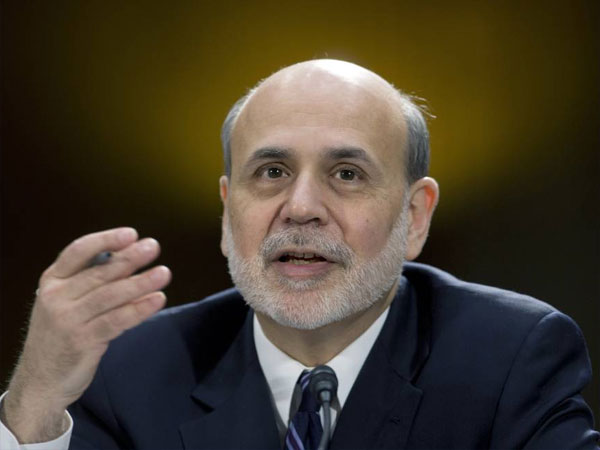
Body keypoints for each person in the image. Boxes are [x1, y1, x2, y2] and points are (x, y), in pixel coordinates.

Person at [0, 59, 598, 449]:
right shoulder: (133, 369)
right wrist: (38, 396)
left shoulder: (512, 357)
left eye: (347, 173)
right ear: (228, 211)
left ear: (415, 216)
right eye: (272, 172)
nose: (302, 207)